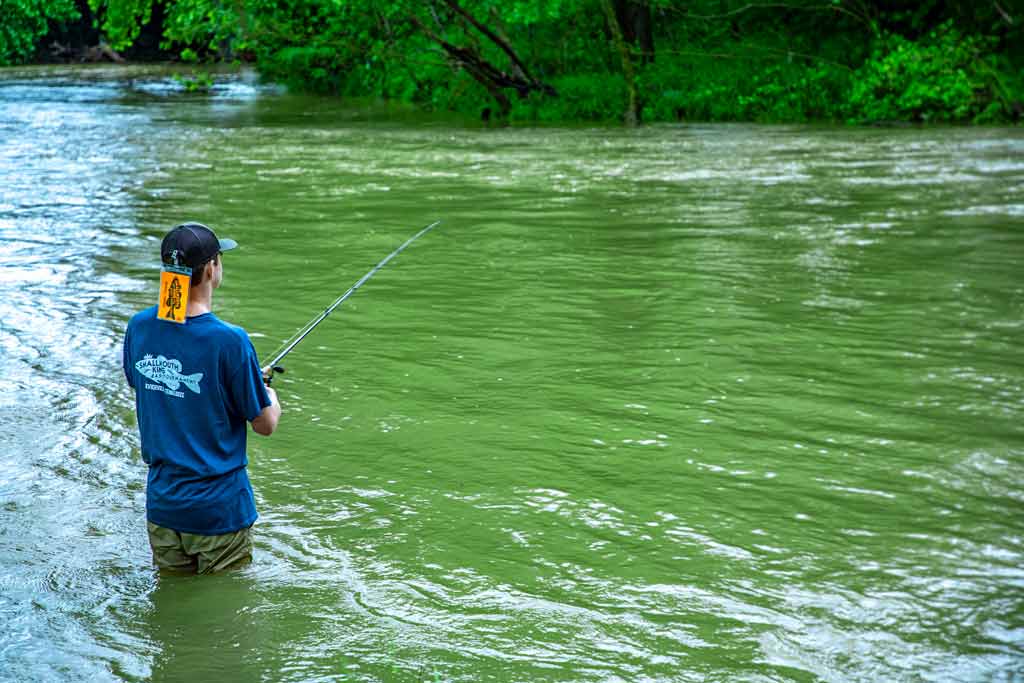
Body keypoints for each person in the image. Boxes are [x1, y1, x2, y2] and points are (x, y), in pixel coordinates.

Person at [122, 222, 281, 574]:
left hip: (163, 507)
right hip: (220, 513)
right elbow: (265, 424)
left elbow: (151, 389)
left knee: (173, 603)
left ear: (167, 270)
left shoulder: (140, 327)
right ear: (211, 268)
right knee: (227, 617)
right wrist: (267, 391)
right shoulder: (231, 341)